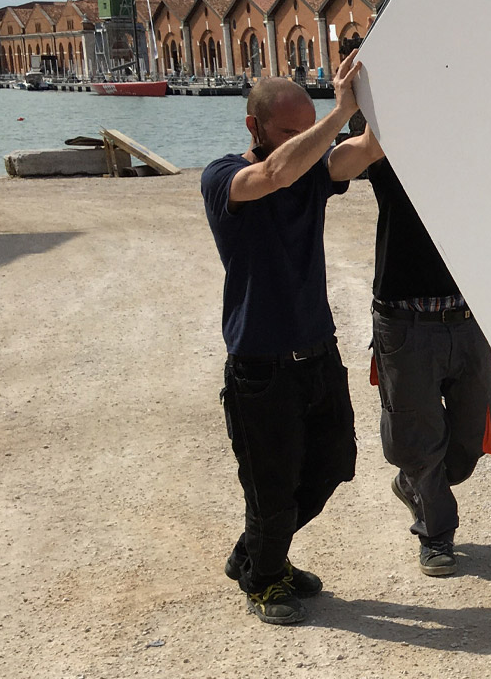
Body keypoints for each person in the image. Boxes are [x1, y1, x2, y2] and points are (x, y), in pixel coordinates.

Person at [201, 51, 385, 625]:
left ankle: (259, 553)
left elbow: (366, 151)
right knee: (271, 486)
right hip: (260, 365)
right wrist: (335, 116)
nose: (303, 144)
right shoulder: (225, 178)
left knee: (334, 462)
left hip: (317, 351)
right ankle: (265, 578)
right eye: (290, 132)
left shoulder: (312, 172)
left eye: (307, 132)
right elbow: (273, 174)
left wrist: (382, 99)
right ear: (253, 127)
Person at [370, 0, 491, 578]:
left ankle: (423, 486)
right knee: (420, 442)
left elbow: (477, 44)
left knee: (464, 449)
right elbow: (381, 53)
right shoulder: (384, 145)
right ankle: (435, 532)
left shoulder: (471, 143)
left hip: (466, 312)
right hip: (405, 317)